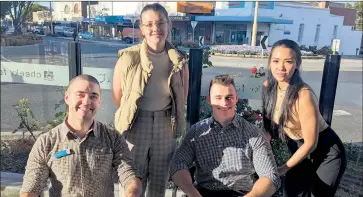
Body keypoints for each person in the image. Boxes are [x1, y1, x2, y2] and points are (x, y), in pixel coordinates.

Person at [20, 74, 142, 197]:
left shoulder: (112, 138)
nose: (86, 101)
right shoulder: (46, 143)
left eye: (93, 96)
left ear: (99, 101)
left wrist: (133, 190)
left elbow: (127, 172)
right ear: (67, 97)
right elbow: (31, 186)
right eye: (80, 94)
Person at [112, 3, 189, 197]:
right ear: (142, 29)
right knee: (132, 182)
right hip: (136, 123)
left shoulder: (179, 60)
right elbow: (117, 96)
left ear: (169, 25)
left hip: (165, 124)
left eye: (161, 22)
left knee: (159, 181)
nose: (156, 28)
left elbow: (182, 96)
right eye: (149, 24)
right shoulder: (128, 58)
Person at [170, 75, 280, 197]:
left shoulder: (253, 134)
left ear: (237, 98)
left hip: (241, 194)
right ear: (209, 100)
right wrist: (193, 193)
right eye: (218, 98)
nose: (224, 103)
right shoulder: (197, 131)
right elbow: (178, 164)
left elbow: (270, 176)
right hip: (202, 192)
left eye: (229, 97)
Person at [262, 39, 346, 197]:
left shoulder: (303, 95)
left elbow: (310, 143)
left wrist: (283, 168)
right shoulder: (268, 86)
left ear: (297, 64)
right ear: (269, 63)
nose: (281, 67)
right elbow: (269, 126)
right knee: (292, 193)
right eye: (276, 61)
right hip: (297, 149)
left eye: (288, 61)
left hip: (325, 151)